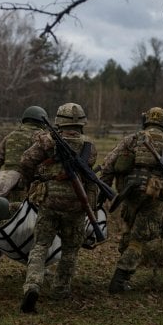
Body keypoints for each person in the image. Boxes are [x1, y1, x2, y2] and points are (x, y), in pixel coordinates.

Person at [99, 107, 163, 294]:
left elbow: (108, 164)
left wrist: (104, 190)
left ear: (145, 121)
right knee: (139, 239)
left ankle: (125, 262)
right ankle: (120, 280)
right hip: (155, 195)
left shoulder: (131, 139)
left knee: (129, 231)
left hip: (129, 193)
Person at [16, 102, 98, 313]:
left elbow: (25, 161)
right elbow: (89, 178)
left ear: (58, 122)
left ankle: (33, 285)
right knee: (71, 249)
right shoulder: (89, 147)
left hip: (49, 201)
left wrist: (36, 177)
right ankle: (60, 290)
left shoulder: (47, 142)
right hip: (76, 205)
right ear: (82, 123)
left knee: (41, 245)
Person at [0, 105, 48, 281]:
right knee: (33, 227)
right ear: (42, 121)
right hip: (32, 189)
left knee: (7, 225)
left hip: (6, 189)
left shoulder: (10, 136)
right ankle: (36, 266)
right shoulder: (43, 138)